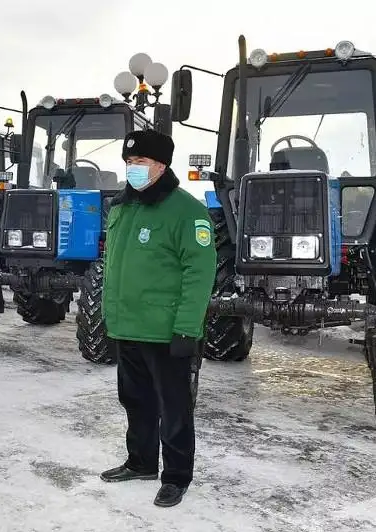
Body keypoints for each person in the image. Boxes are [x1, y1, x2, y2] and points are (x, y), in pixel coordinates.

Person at [99, 129, 217, 508]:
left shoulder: (186, 211)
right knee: (135, 401)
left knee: (174, 409)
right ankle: (141, 462)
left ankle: (177, 476)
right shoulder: (121, 207)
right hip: (128, 326)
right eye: (129, 162)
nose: (133, 169)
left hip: (167, 332)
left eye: (141, 162)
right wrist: (110, 318)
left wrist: (187, 327)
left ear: (162, 165)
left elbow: (199, 273)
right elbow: (114, 268)